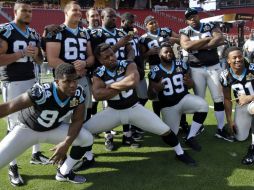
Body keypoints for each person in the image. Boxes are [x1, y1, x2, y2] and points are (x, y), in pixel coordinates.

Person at [84, 43, 197, 166]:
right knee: (84, 131)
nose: (111, 58)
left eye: (112, 54)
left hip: (134, 109)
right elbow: (98, 95)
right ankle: (88, 157)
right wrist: (123, 84)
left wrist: (110, 85)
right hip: (113, 111)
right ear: (100, 60)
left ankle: (180, 153)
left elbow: (133, 81)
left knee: (165, 130)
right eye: (106, 57)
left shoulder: (127, 63)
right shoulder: (98, 73)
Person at [0, 63, 94, 184]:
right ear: (57, 81)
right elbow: (9, 107)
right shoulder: (43, 91)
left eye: (75, 80)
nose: (72, 85)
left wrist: (66, 144)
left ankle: (64, 172)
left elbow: (77, 120)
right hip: (27, 130)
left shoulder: (78, 93)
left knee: (86, 138)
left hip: (53, 129)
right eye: (67, 81)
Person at [0, 0, 49, 186]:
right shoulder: (5, 30)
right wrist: (21, 54)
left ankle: (36, 153)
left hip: (32, 80)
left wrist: (37, 54)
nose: (28, 13)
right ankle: (12, 166)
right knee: (14, 125)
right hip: (13, 82)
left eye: (30, 11)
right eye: (24, 11)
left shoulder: (33, 33)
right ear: (15, 11)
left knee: (35, 118)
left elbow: (39, 60)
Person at [179, 8, 232, 142]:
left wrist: (195, 46)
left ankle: (220, 128)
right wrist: (208, 41)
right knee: (199, 100)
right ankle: (200, 126)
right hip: (196, 69)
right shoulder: (185, 31)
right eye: (189, 18)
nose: (193, 19)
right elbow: (186, 46)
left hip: (213, 66)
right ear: (186, 20)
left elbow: (220, 38)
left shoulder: (210, 25)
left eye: (194, 16)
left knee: (218, 98)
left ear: (198, 16)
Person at [90, 7, 138, 151]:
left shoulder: (121, 32)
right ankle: (108, 137)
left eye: (114, 17)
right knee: (108, 105)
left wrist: (128, 62)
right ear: (102, 18)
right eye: (110, 16)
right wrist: (118, 45)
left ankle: (127, 134)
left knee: (127, 101)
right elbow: (100, 55)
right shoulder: (97, 33)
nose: (113, 19)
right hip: (106, 72)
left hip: (123, 70)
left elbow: (130, 49)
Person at [148, 43, 208, 151]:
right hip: (168, 106)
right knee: (170, 136)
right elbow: (150, 96)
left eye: (170, 52)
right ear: (159, 54)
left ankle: (191, 137)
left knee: (203, 105)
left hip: (184, 99)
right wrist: (155, 89)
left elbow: (190, 85)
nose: (169, 54)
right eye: (166, 52)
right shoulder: (154, 71)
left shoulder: (181, 64)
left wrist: (190, 82)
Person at [46, 1, 94, 121]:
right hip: (64, 81)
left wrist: (85, 63)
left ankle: (79, 138)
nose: (78, 12)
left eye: (79, 10)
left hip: (82, 79)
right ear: (66, 12)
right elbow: (52, 60)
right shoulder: (56, 31)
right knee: (63, 116)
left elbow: (91, 57)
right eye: (74, 10)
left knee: (82, 115)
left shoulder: (84, 33)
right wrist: (74, 71)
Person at [139, 15, 180, 117]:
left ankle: (182, 121)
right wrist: (149, 52)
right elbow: (141, 56)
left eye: (155, 21)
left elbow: (181, 40)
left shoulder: (166, 31)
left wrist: (174, 40)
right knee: (156, 95)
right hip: (155, 67)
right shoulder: (143, 39)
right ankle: (157, 118)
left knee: (176, 92)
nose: (154, 24)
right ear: (146, 26)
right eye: (151, 23)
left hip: (171, 65)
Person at [220, 46, 254, 164]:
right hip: (242, 106)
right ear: (228, 60)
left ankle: (253, 148)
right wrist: (229, 120)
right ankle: (249, 127)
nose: (238, 60)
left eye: (240, 56)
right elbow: (228, 99)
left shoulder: (252, 69)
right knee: (240, 137)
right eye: (234, 58)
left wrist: (250, 97)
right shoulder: (225, 75)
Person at [120, 12, 147, 140]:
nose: (131, 25)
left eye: (132, 22)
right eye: (129, 22)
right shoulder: (120, 34)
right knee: (130, 100)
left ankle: (135, 122)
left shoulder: (134, 34)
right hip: (128, 70)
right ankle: (131, 127)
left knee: (143, 96)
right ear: (122, 22)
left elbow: (139, 53)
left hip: (139, 68)